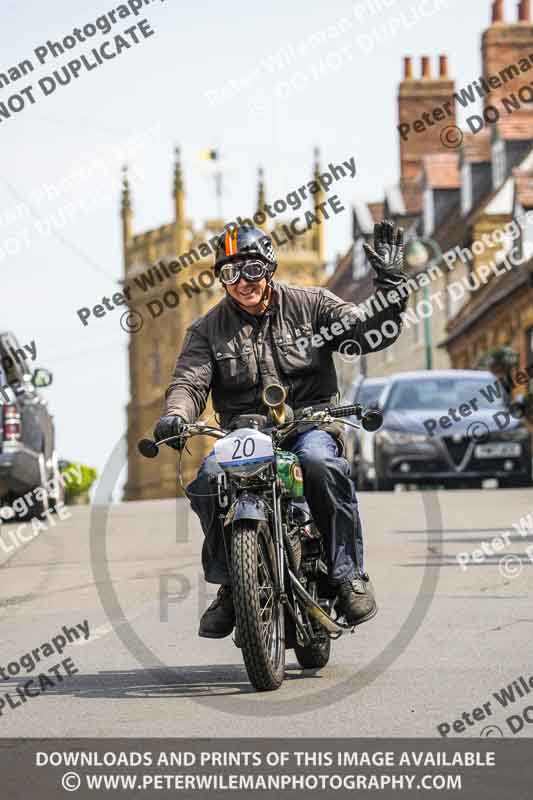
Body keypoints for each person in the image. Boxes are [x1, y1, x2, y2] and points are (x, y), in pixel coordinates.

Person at [154, 220, 407, 638]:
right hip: (244, 435)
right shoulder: (206, 330)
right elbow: (189, 381)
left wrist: (392, 286)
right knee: (207, 481)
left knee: (319, 462)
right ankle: (232, 584)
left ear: (269, 266)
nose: (242, 281)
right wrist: (176, 415)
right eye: (230, 273)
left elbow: (368, 333)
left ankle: (347, 576)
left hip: (310, 423)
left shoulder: (312, 304)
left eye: (251, 268)